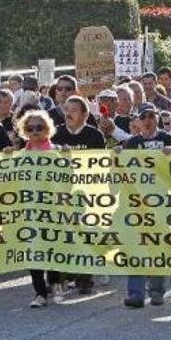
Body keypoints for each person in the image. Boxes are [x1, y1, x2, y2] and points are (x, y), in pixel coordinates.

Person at [118, 103, 171, 308]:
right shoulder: (131, 143)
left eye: (151, 116)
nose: (147, 120)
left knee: (157, 246)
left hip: (161, 203)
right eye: (143, 117)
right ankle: (135, 293)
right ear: (136, 121)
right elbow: (122, 174)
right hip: (136, 204)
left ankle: (156, 290)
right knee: (135, 246)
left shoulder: (168, 140)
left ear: (157, 119)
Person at [51, 96, 106, 294]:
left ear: (85, 114)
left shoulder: (95, 136)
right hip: (61, 193)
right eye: (66, 109)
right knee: (62, 236)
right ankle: (62, 277)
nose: (68, 113)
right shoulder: (55, 134)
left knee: (84, 236)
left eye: (74, 110)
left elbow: (101, 166)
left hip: (85, 194)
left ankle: (85, 278)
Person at [16, 110, 65, 308]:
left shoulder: (57, 153)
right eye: (30, 128)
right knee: (33, 252)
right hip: (28, 211)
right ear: (24, 131)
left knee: (52, 249)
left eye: (39, 127)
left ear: (47, 130)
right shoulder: (18, 157)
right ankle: (40, 293)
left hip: (52, 211)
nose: (35, 131)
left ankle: (54, 282)